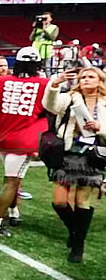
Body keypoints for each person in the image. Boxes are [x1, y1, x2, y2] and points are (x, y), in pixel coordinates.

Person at [42, 66, 106, 262]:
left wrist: (100, 128)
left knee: (82, 201)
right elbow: (50, 106)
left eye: (91, 76)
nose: (86, 79)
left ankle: (78, 245)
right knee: (59, 201)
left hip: (93, 155)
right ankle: (74, 232)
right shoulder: (70, 98)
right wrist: (54, 84)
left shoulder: (104, 102)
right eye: (83, 77)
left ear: (100, 80)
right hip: (68, 153)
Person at [0, 46, 50, 236]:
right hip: (23, 142)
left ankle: (14, 212)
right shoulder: (44, 84)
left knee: (13, 179)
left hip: (0, 138)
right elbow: (51, 111)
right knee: (12, 182)